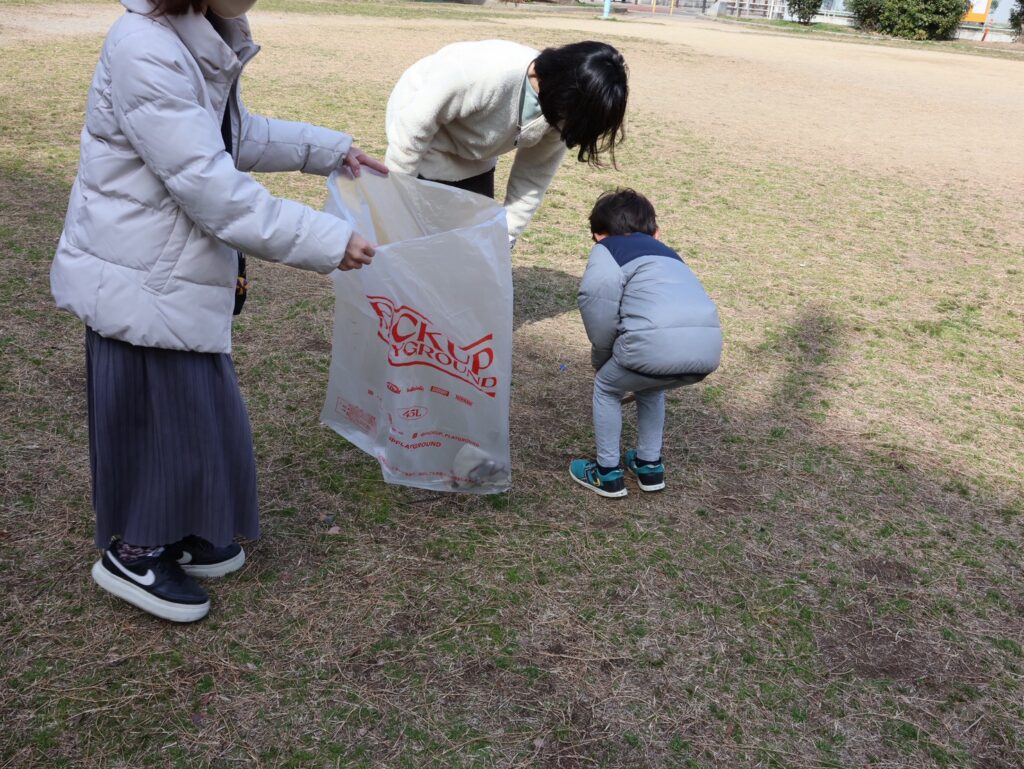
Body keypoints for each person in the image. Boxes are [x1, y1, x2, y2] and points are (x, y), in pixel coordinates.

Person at [49, 0, 386, 622]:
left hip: (167, 270)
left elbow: (232, 135)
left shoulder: (196, 33)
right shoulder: (145, 46)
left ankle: (178, 529)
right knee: (164, 421)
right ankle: (134, 550)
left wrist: (330, 150)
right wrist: (328, 240)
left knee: (196, 413)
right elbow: (208, 181)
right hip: (140, 274)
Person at [384, 39, 628, 246]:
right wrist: (395, 196)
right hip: (425, 135)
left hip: (476, 152)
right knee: (416, 235)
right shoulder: (481, 74)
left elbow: (533, 175)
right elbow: (412, 131)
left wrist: (506, 235)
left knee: (474, 235)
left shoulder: (566, 112)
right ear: (566, 89)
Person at [570, 189, 722, 498]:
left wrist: (601, 358)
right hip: (706, 350)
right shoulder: (669, 253)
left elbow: (595, 301)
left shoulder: (608, 250)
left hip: (652, 348)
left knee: (607, 387)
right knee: (650, 385)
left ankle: (607, 473)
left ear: (598, 235)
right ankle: (649, 465)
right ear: (656, 232)